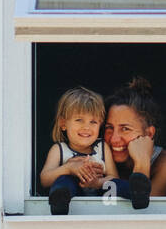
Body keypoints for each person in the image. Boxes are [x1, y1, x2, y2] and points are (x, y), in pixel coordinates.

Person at [103, 76, 166, 210]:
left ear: (149, 134)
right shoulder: (98, 153)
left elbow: (143, 210)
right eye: (109, 128)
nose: (114, 139)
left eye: (125, 129)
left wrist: (142, 162)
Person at [39, 86, 118, 216]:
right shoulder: (59, 149)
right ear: (63, 123)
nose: (86, 127)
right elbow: (45, 179)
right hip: (73, 200)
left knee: (117, 185)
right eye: (79, 120)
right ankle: (59, 203)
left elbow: (114, 177)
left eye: (93, 122)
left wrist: (97, 182)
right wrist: (69, 169)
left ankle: (138, 194)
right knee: (64, 180)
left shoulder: (102, 147)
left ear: (100, 124)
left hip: (102, 203)